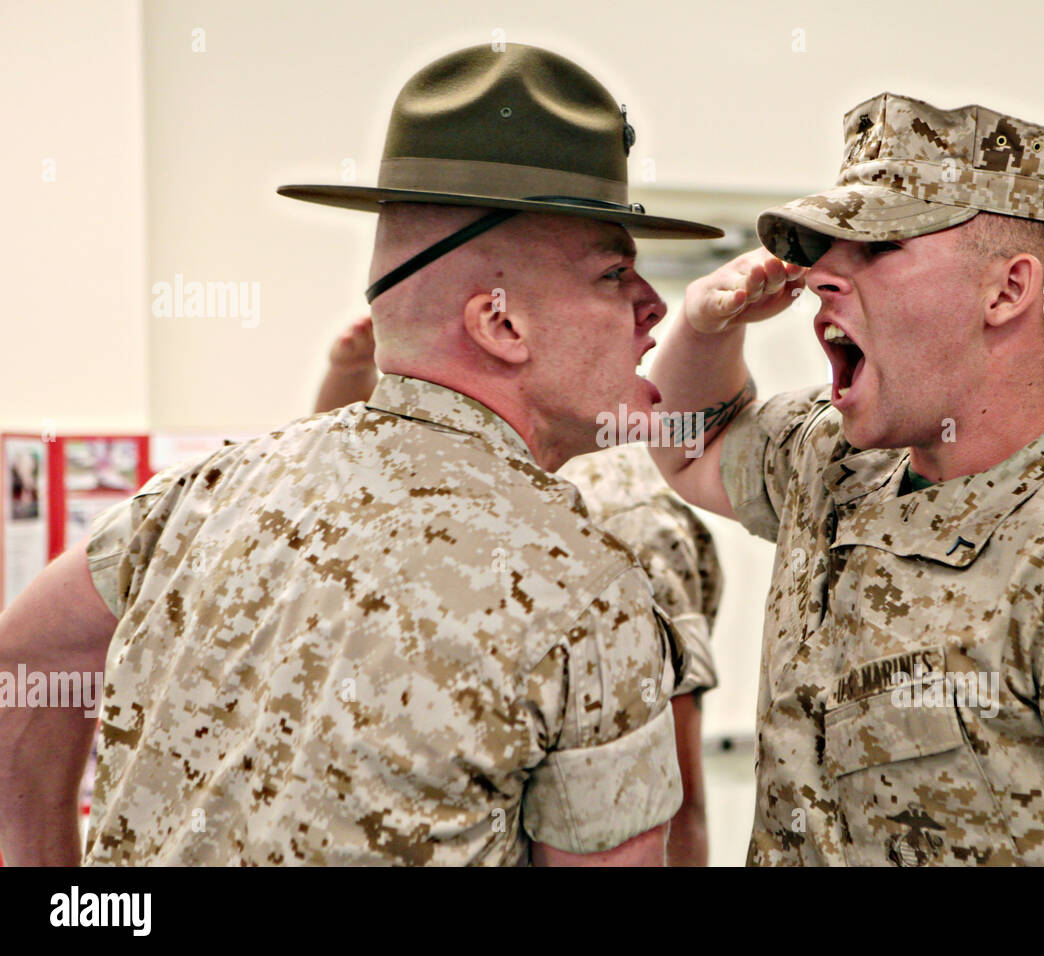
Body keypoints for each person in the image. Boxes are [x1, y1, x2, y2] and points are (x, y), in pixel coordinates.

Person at [0, 43, 723, 866]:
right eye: (613, 273)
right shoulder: (586, 589)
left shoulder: (198, 499)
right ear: (501, 324)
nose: (651, 305)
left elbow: (22, 659)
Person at [647, 91, 1044, 865]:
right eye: (823, 252)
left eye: (880, 250)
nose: (821, 277)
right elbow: (690, 447)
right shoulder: (839, 463)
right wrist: (702, 326)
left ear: (1008, 290)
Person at [314, 318, 724, 866]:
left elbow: (669, 801)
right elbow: (349, 477)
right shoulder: (463, 479)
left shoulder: (629, 523)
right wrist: (349, 371)